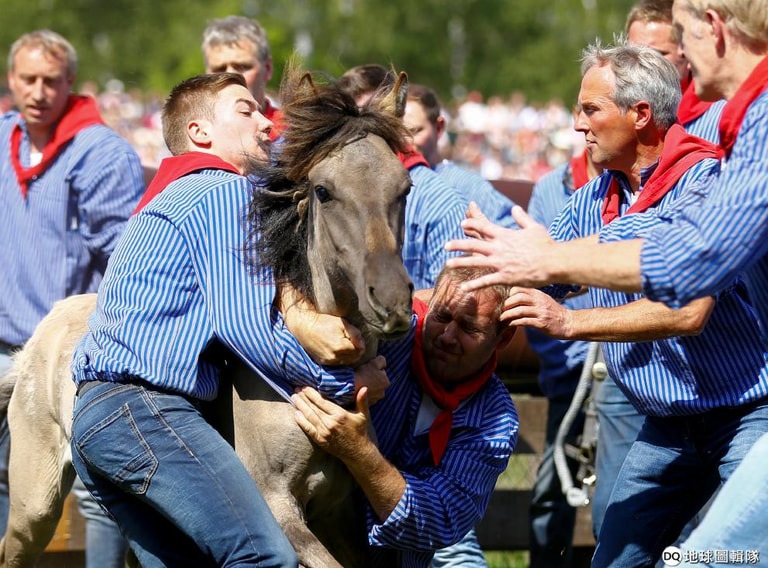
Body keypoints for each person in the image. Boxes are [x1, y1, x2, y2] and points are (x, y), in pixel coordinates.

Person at [472, 39, 768, 568]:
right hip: (668, 425)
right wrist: (452, 292)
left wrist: (569, 320)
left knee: (733, 556)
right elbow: (535, 278)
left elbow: (688, 312)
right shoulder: (589, 201)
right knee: (615, 559)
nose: (577, 125)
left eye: (590, 109)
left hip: (747, 414)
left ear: (641, 115)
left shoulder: (705, 179)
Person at [69, 72, 379, 567]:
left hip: (97, 422)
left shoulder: (170, 197)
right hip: (144, 411)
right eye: (247, 110)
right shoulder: (220, 191)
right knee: (262, 557)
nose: (266, 123)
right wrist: (342, 384)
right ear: (199, 133)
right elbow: (247, 328)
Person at [0, 29, 145, 567]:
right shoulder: (2, 138)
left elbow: (125, 263)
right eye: (28, 79)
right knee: (12, 489)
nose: (38, 91)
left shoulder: (101, 153)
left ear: (70, 84)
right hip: (5, 343)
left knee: (100, 492)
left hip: (70, 355)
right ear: (11, 80)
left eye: (50, 80)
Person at [339, 65, 485, 564]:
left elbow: (464, 301)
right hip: (374, 374)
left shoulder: (436, 198)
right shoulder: (343, 196)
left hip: (426, 379)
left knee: (444, 543)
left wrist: (412, 311)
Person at [290, 262, 520, 567]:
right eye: (442, 316)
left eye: (469, 328)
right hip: (305, 539)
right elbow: (282, 348)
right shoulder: (387, 339)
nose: (448, 336)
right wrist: (349, 384)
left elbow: (440, 521)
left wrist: (360, 452)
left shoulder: (495, 418)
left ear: (502, 338)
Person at [525, 145, 602, 568]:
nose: (582, 126)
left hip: (627, 368)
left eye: (594, 109)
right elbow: (544, 276)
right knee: (552, 490)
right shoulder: (553, 189)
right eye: (582, 109)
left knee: (621, 495)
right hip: (571, 370)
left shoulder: (639, 183)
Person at [402, 83, 519, 229]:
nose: (405, 143)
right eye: (396, 135)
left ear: (439, 128)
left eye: (414, 131)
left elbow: (517, 236)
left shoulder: (469, 187)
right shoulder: (385, 188)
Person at [626, 0, 724, 143]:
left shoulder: (720, 114)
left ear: (684, 50)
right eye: (631, 54)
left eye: (654, 54)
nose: (641, 64)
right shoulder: (616, 113)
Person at [201, 15, 283, 138]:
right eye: (219, 69)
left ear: (267, 69)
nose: (230, 78)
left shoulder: (294, 136)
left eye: (242, 67)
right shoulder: (194, 136)